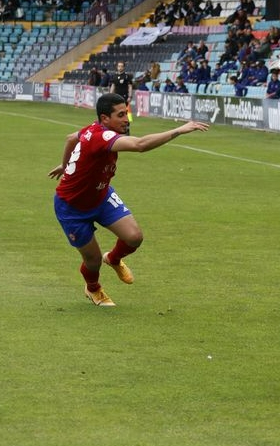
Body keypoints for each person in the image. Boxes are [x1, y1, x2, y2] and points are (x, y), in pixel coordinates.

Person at [48, 93, 209, 307]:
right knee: (92, 261)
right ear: (105, 119)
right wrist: (178, 130)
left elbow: (71, 138)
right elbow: (140, 145)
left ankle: (113, 259)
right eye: (121, 115)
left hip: (101, 195)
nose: (127, 119)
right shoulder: (101, 137)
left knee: (134, 237)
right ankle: (93, 289)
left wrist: (65, 164)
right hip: (72, 207)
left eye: (127, 113)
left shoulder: (92, 129)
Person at [110, 62, 133, 134]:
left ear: (123, 67)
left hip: (124, 98)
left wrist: (130, 96)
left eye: (121, 66)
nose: (120, 67)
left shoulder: (127, 76)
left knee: (125, 113)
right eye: (119, 66)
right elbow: (113, 86)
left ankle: (127, 128)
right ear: (117, 67)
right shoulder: (114, 76)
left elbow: (130, 86)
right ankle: (117, 128)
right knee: (115, 113)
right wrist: (110, 95)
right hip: (116, 97)